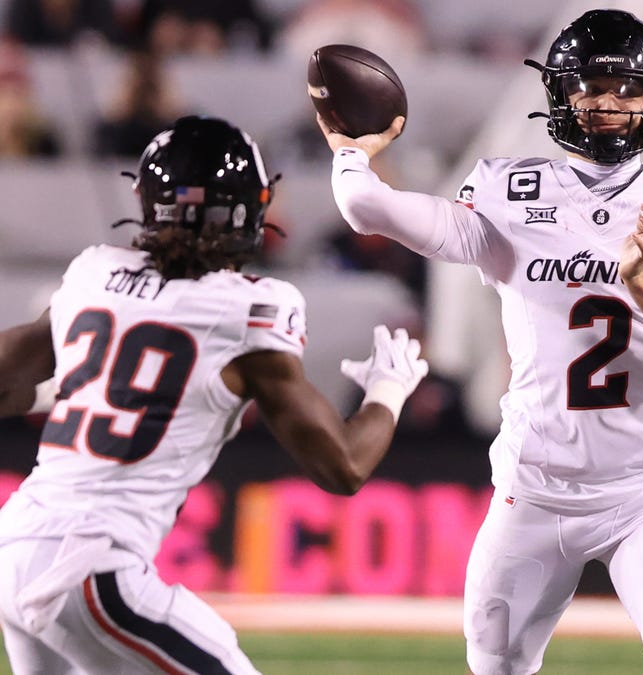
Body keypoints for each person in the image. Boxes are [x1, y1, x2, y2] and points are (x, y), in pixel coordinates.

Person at [319, 10, 643, 674]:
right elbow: (372, 211)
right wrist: (352, 154)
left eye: (627, 88)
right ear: (560, 93)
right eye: (591, 86)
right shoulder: (511, 193)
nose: (608, 103)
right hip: (536, 484)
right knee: (493, 663)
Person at [0, 115, 428, 674]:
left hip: (16, 550)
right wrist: (389, 389)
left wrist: (76, 390)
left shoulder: (94, 273)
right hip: (94, 570)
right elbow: (342, 466)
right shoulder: (245, 310)